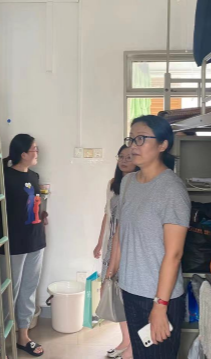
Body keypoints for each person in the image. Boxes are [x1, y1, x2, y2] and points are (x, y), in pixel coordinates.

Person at [107, 115, 190, 359]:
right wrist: (111, 272)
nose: (134, 146)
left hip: (158, 295)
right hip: (130, 289)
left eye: (141, 139)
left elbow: (174, 254)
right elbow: (121, 230)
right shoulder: (128, 182)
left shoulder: (171, 189)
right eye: (131, 139)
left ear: (163, 145)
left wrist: (160, 306)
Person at [0, 134, 48, 358]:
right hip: (12, 243)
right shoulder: (3, 178)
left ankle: (23, 336)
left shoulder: (34, 176)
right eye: (34, 149)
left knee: (29, 290)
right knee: (9, 293)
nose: (37, 152)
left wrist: (42, 217)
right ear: (23, 154)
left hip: (36, 241)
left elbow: (33, 206)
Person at [94, 145, 137, 359]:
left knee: (127, 296)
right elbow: (107, 214)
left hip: (129, 248)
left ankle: (132, 345)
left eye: (129, 157)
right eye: (121, 156)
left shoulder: (140, 184)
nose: (124, 161)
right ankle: (125, 340)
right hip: (111, 245)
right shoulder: (113, 184)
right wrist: (99, 243)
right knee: (113, 294)